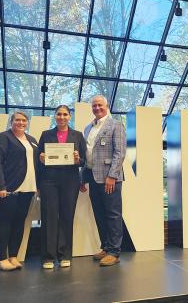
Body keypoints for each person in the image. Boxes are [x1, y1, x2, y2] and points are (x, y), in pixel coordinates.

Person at [0, 111, 38, 271]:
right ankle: (1, 259)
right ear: (12, 121)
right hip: (7, 189)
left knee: (18, 223)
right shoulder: (3, 137)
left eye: (24, 120)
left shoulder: (32, 140)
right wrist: (0, 186)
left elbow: (36, 162)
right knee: (4, 223)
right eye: (17, 120)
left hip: (27, 189)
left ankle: (13, 256)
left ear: (27, 122)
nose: (21, 123)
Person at [38, 105, 87, 269]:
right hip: (48, 181)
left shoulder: (78, 136)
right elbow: (39, 160)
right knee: (49, 217)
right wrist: (42, 158)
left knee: (67, 216)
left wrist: (77, 160)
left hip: (70, 181)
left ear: (70, 117)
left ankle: (65, 254)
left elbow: (84, 161)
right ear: (55, 116)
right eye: (59, 114)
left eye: (65, 114)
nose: (62, 117)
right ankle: (48, 257)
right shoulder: (46, 135)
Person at [81, 95, 126, 267]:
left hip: (109, 179)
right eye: (94, 105)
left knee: (113, 214)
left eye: (100, 105)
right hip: (92, 177)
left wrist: (112, 176)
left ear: (107, 106)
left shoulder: (116, 125)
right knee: (99, 215)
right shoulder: (88, 128)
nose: (97, 108)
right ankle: (106, 247)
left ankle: (114, 252)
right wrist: (82, 178)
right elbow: (87, 155)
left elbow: (119, 153)